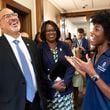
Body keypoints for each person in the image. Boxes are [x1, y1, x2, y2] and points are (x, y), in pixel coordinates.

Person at [0, 8, 47, 110]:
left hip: (37, 102)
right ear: (0, 25)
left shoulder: (31, 44)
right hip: (11, 105)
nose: (13, 18)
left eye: (14, 14)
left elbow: (39, 72)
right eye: (7, 16)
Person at [65, 10, 110, 110]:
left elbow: (94, 76)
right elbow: (91, 79)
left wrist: (92, 72)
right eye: (93, 28)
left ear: (107, 33)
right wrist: (79, 68)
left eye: (97, 29)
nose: (91, 32)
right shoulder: (96, 55)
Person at [39, 20, 75, 110]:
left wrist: (65, 83)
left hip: (65, 89)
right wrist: (52, 84)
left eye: (53, 30)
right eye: (48, 30)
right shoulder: (39, 48)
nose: (51, 32)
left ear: (57, 31)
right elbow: (39, 71)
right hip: (50, 91)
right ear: (44, 32)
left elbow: (71, 65)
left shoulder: (65, 46)